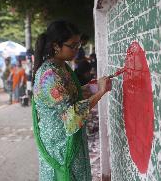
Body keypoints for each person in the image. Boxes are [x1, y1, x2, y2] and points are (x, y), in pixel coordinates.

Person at [32, 20, 112, 180]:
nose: (77, 50)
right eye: (73, 45)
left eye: (79, 45)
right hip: (60, 147)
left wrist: (92, 88)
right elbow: (71, 115)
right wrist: (101, 92)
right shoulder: (50, 76)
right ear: (56, 46)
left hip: (68, 139)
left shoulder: (61, 67)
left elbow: (71, 96)